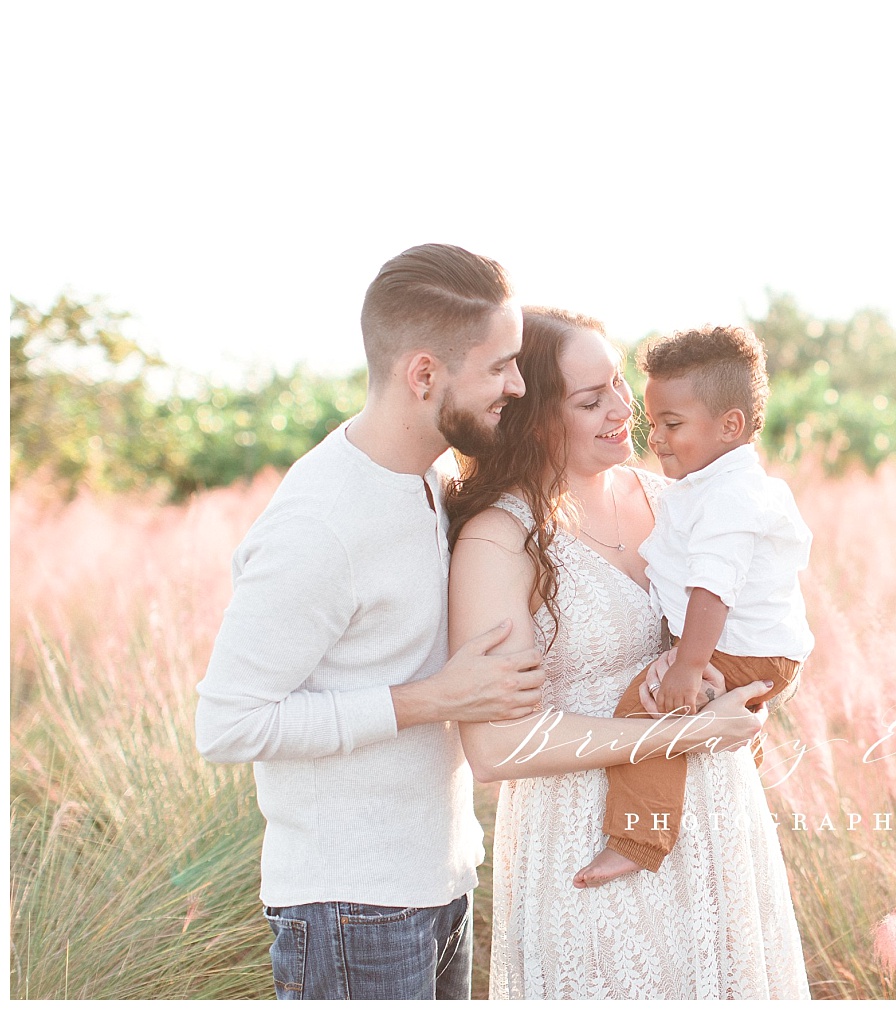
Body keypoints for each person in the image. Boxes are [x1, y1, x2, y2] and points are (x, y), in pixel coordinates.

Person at [194, 245, 765, 1000]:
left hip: (439, 880)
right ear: (424, 374)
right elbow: (227, 725)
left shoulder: (426, 483)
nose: (519, 384)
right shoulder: (321, 521)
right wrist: (431, 700)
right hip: (347, 902)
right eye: (500, 367)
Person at [445, 307, 810, 999]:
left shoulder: (680, 497)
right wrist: (698, 727)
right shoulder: (501, 540)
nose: (624, 410)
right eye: (591, 400)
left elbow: (756, 617)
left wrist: (753, 696)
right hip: (585, 830)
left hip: (718, 823)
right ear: (533, 416)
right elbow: (493, 749)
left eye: (619, 385)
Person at [574, 324, 814, 887]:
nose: (655, 437)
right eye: (653, 422)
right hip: (755, 650)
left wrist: (685, 665)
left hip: (737, 650)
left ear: (730, 425)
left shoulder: (728, 498)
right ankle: (731, 775)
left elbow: (712, 590)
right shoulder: (716, 487)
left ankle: (638, 837)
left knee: (648, 704)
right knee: (681, 712)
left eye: (672, 425)